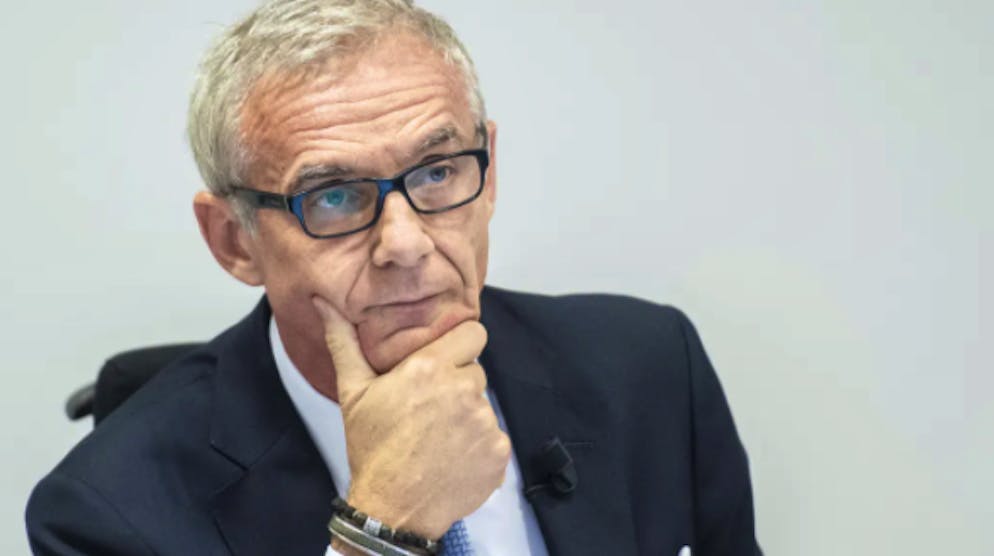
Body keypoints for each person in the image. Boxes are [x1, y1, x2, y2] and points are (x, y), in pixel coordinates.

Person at [26, 1, 761, 554]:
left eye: (437, 172)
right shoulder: (107, 515)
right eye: (333, 196)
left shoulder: (648, 367)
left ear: (489, 173)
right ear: (234, 240)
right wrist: (382, 530)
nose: (405, 244)